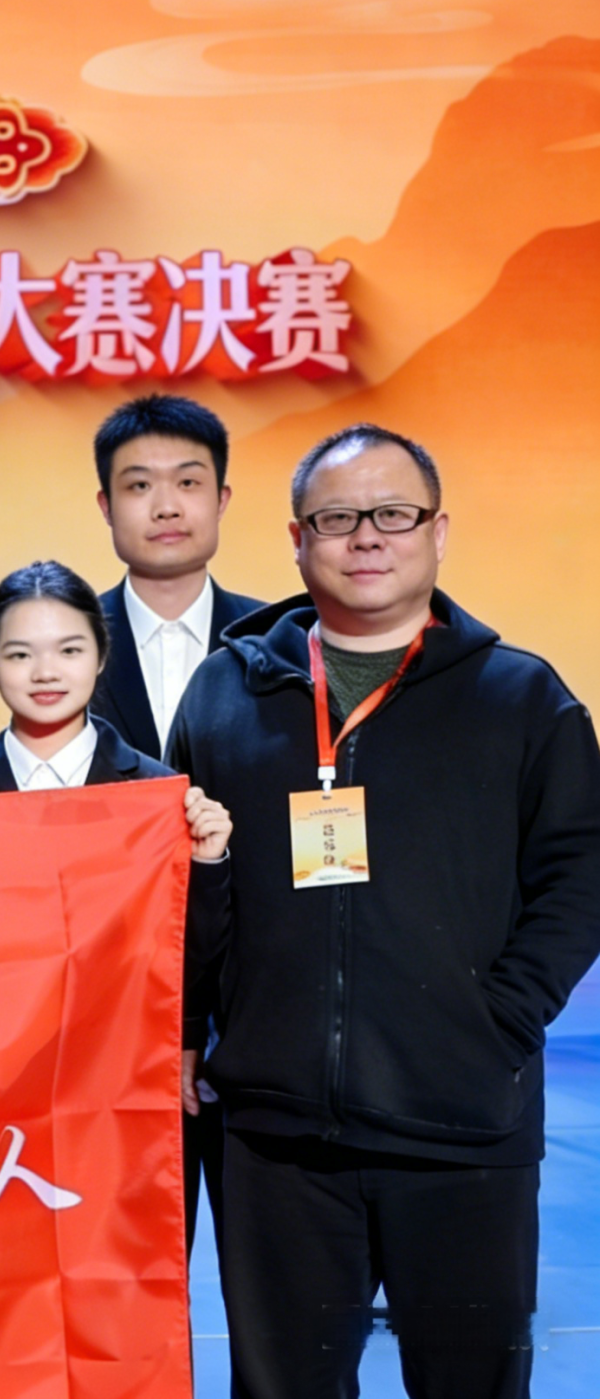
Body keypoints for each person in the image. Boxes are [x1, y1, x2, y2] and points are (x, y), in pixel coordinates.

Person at [172, 423, 600, 1399]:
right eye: (336, 518)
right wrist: (196, 1026)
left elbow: (578, 872)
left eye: (393, 514)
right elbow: (182, 881)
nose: (366, 536)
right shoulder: (224, 694)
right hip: (275, 1138)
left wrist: (499, 1020)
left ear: (436, 531)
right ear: (296, 539)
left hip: (462, 1128)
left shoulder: (520, 697)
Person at [88, 393, 266, 1259]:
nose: (166, 505)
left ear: (222, 499)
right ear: (105, 505)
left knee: (270, 1290)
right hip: (110, 1023)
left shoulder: (286, 642)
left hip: (256, 1025)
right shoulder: (59, 644)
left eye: (188, 482)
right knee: (118, 1285)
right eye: (139, 485)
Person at [0, 561, 231, 852]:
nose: (45, 674)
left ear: (101, 656)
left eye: (69, 651)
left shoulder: (157, 787)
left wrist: (208, 862)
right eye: (20, 655)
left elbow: (175, 894)